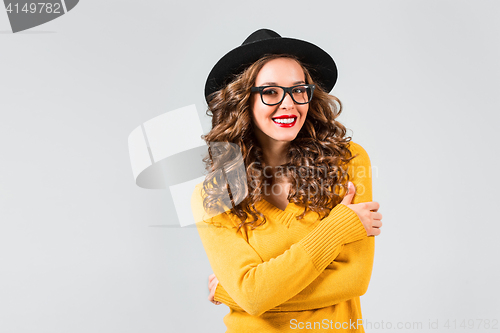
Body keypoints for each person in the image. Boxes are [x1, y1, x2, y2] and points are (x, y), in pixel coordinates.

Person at [191, 28, 383, 333]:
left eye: (298, 89)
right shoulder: (214, 193)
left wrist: (236, 293)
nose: (289, 104)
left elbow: (354, 280)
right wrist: (336, 229)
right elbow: (253, 295)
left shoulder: (347, 163)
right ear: (243, 101)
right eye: (270, 92)